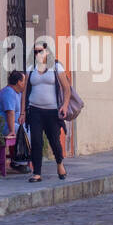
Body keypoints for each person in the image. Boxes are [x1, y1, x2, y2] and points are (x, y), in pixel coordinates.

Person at [21, 42, 71, 182]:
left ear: (47, 52)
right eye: (35, 52)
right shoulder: (31, 68)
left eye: (40, 51)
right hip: (35, 110)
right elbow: (25, 92)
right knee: (36, 141)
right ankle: (37, 173)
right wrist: (23, 113)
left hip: (52, 112)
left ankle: (60, 163)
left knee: (54, 140)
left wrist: (65, 106)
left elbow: (66, 88)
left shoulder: (56, 67)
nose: (37, 54)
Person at [0, 70, 28, 174]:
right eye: (24, 81)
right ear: (19, 82)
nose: (25, 84)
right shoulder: (8, 92)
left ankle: (22, 160)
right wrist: (12, 130)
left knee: (31, 129)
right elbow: (10, 113)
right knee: (25, 132)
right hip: (4, 126)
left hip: (12, 124)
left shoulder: (18, 93)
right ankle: (18, 162)